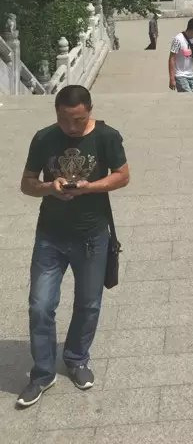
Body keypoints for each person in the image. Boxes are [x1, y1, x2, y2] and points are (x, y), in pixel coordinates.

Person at [17, 84, 129, 408]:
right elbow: (26, 184)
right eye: (65, 120)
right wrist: (48, 188)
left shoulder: (107, 137)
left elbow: (122, 176)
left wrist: (89, 187)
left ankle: (77, 358)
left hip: (92, 236)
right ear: (56, 114)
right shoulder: (44, 138)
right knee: (40, 305)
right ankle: (42, 373)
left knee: (88, 304)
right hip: (50, 235)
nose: (71, 127)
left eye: (78, 120)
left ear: (89, 111)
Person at [168, 18, 193, 92]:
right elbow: (172, 58)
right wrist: (172, 78)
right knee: (188, 96)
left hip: (191, 75)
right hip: (180, 76)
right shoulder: (178, 39)